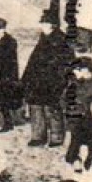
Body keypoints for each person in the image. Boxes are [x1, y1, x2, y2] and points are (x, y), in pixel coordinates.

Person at [20, 9, 75, 147]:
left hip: (53, 81)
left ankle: (56, 137)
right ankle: (38, 136)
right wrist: (26, 78)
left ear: (52, 25)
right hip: (37, 81)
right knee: (35, 107)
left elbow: (68, 62)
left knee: (52, 108)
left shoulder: (62, 40)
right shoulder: (43, 38)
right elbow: (33, 60)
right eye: (42, 24)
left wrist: (62, 80)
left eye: (44, 24)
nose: (42, 26)